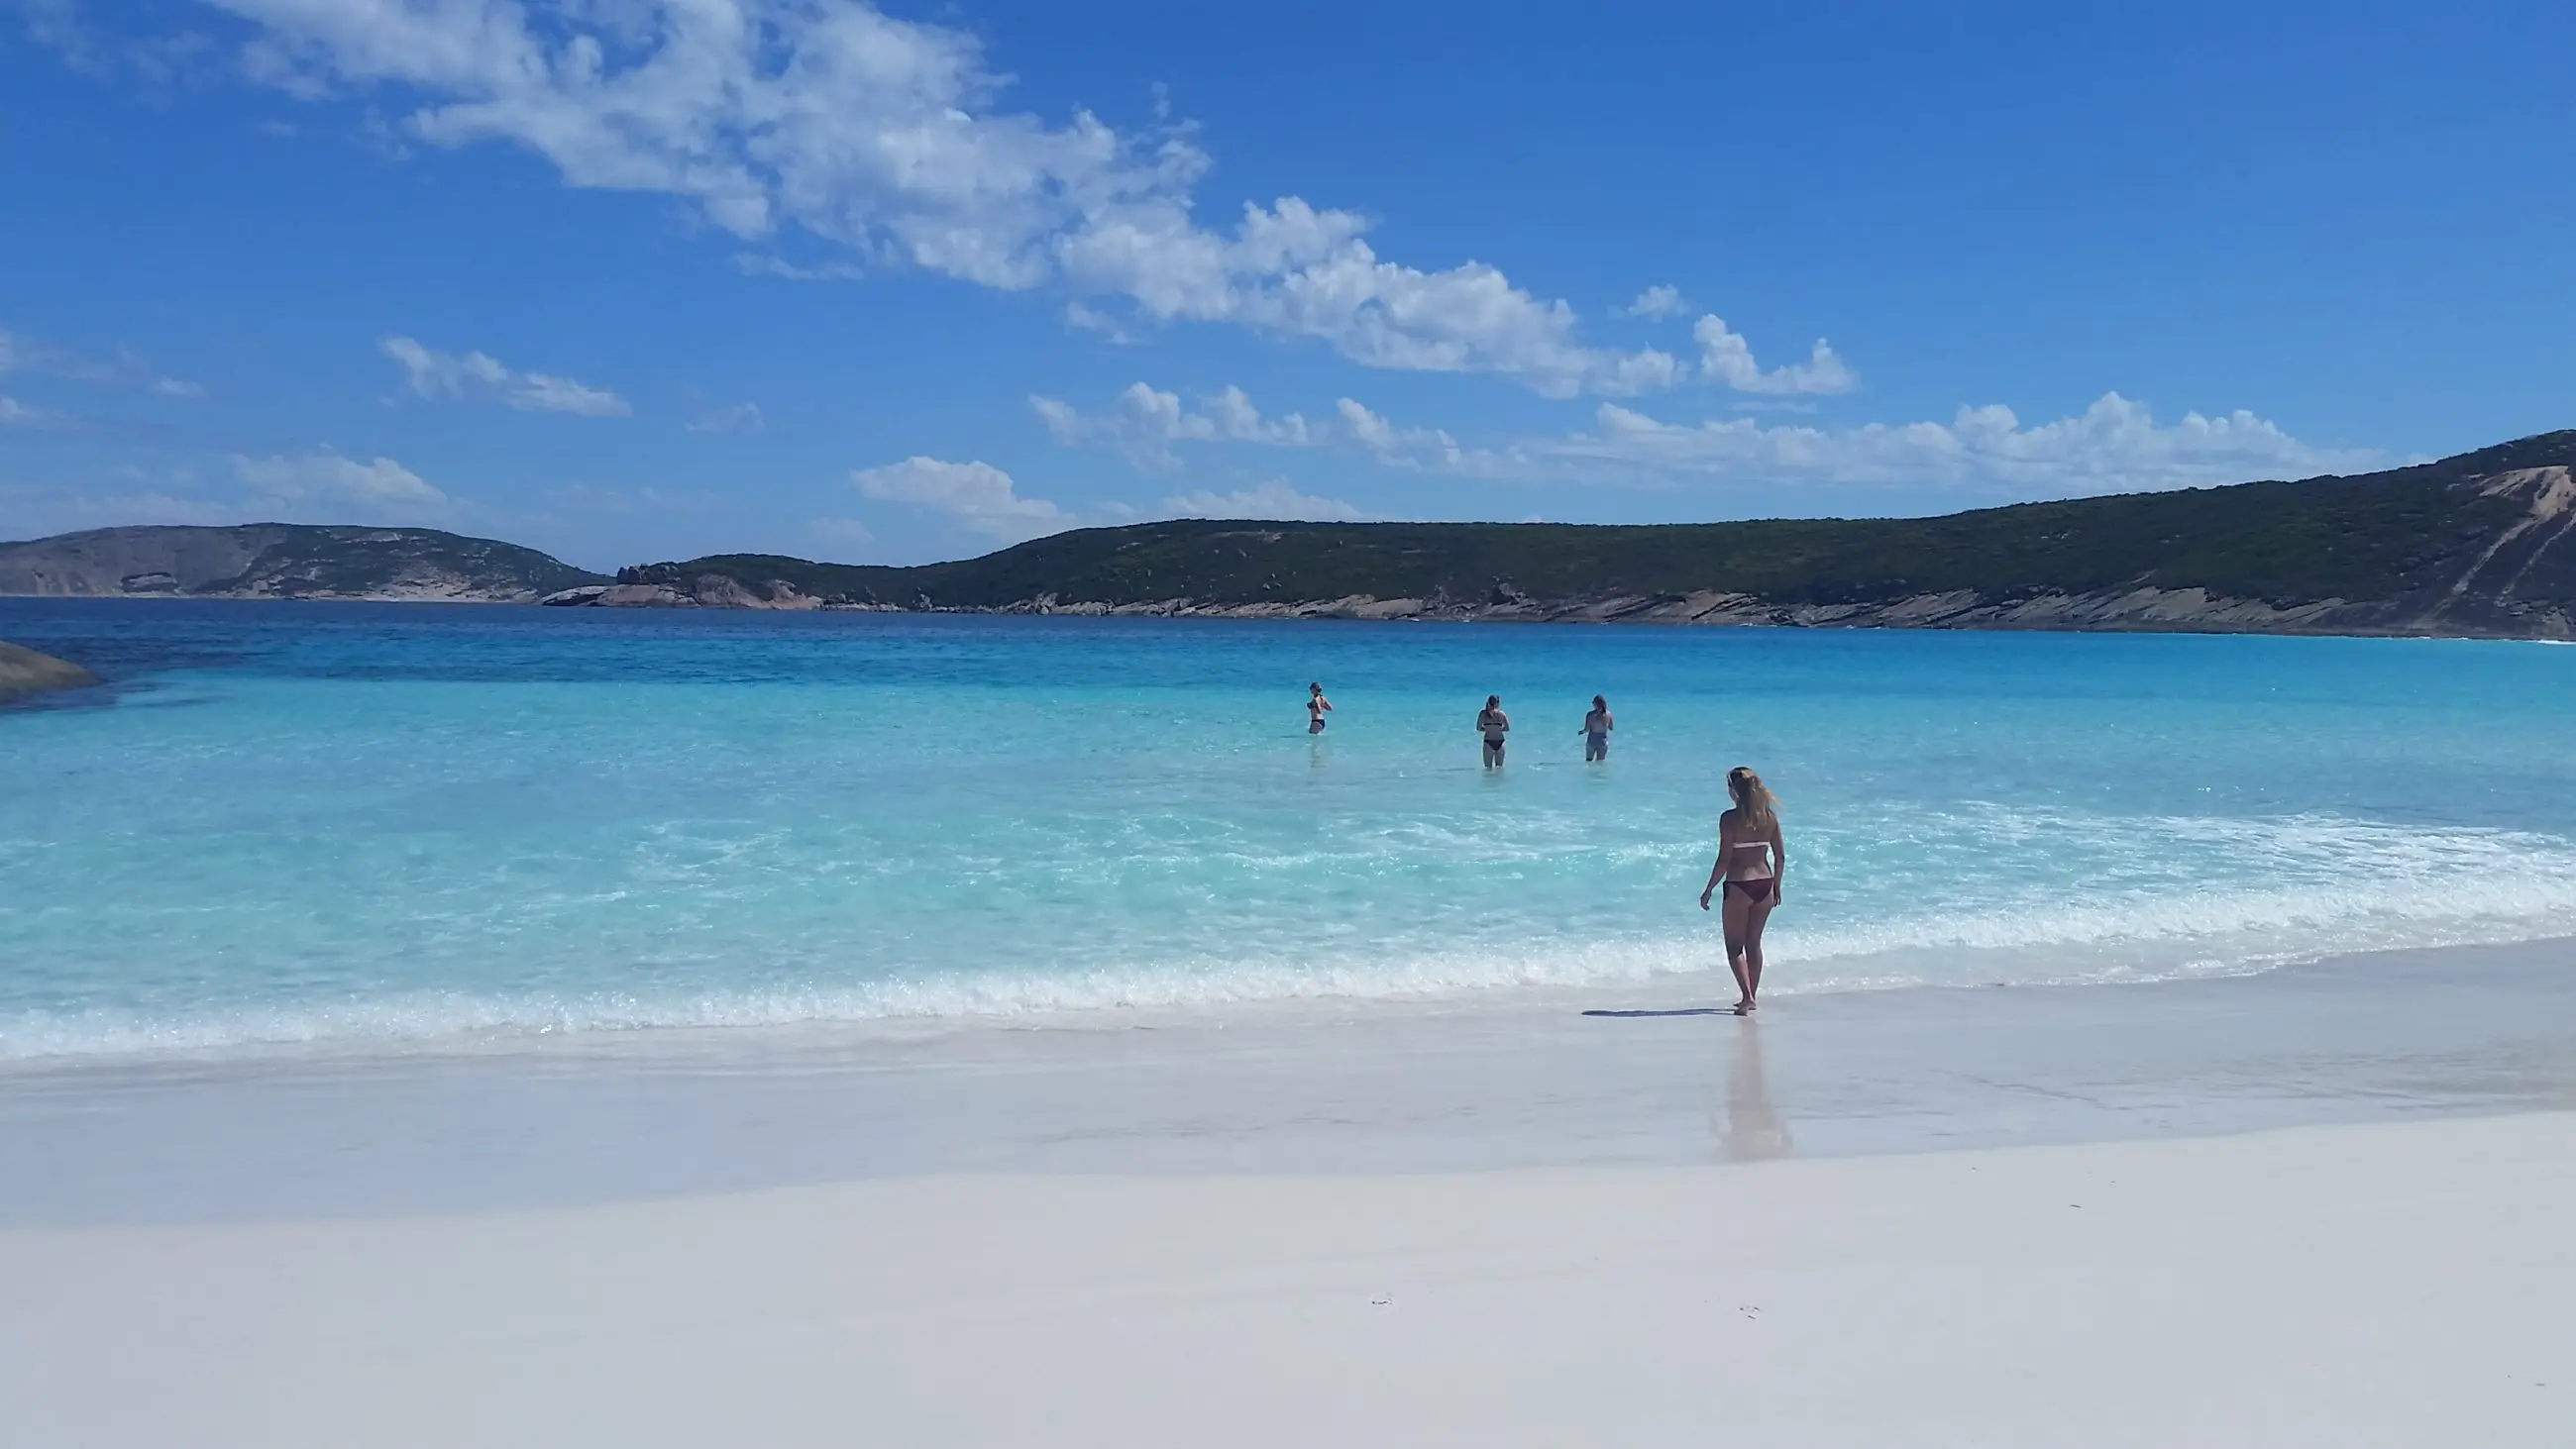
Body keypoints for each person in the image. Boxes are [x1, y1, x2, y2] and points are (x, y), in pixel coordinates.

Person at [1698, 767, 1783, 1014]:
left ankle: (1747, 997)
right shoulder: (1769, 817)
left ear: (1734, 791)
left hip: (1739, 885)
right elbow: (1780, 856)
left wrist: (1708, 889)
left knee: (1734, 947)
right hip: (1765, 884)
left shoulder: (1729, 819)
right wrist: (1777, 885)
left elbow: (1724, 859)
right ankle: (1751, 995)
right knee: (1753, 944)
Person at [1476, 694, 1510, 768]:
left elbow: (1478, 728)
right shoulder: (1501, 714)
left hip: (1488, 742)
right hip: (1500, 742)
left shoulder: (1483, 714)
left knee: (1487, 769)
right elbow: (1507, 728)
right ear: (1497, 703)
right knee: (1499, 768)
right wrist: (1498, 729)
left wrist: (1488, 728)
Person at [1579, 695, 1613, 762]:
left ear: (1595, 704)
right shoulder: (1609, 714)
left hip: (1592, 741)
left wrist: (1581, 732)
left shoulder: (1590, 714)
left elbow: (1587, 729)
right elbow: (1611, 728)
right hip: (1603, 741)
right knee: (1600, 762)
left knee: (1589, 761)